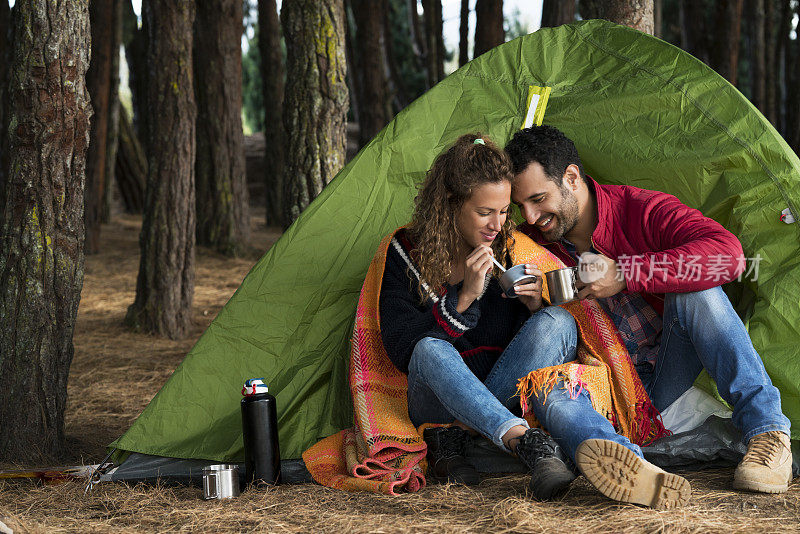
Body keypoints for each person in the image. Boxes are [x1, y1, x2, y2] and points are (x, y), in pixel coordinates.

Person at [503, 125, 793, 507]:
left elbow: (729, 255)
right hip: (600, 388)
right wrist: (532, 305)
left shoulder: (639, 210)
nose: (531, 215)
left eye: (539, 199)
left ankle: (768, 434)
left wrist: (626, 273)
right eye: (520, 205)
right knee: (548, 388)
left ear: (571, 178)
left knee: (698, 292)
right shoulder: (528, 243)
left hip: (661, 377)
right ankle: (633, 469)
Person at [379, 133, 578, 499]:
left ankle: (458, 439)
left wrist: (533, 306)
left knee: (558, 322)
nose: (497, 225)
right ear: (450, 205)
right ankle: (522, 440)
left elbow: (519, 350)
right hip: (435, 399)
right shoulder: (406, 251)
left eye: (504, 211)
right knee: (428, 349)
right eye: (485, 212)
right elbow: (402, 347)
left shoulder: (508, 247)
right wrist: (466, 296)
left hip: (495, 391)